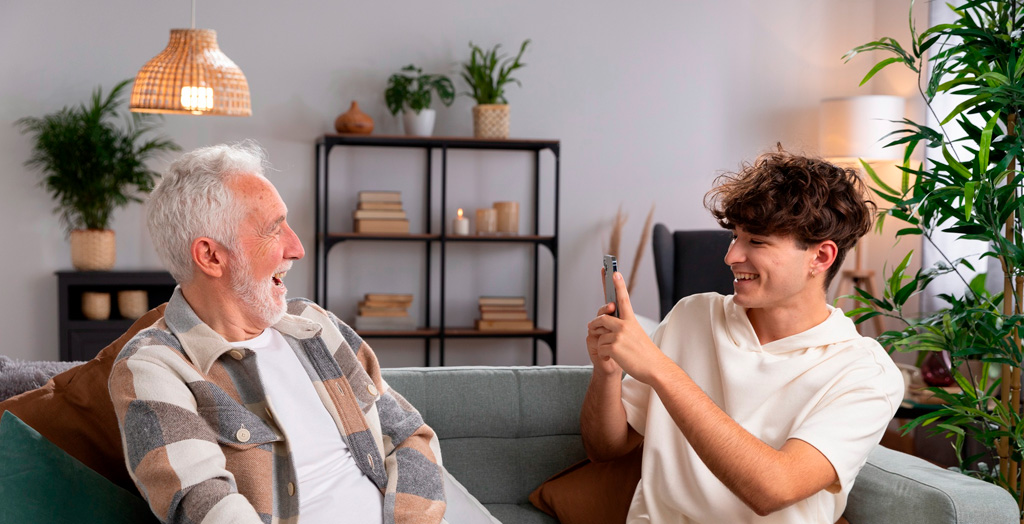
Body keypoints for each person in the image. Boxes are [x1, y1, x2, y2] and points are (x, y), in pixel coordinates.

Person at [109, 141, 446, 524]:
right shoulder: (155, 367)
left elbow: (409, 436)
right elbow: (206, 506)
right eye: (274, 230)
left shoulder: (316, 326)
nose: (297, 248)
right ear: (211, 256)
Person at [581, 149, 903, 524]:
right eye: (735, 237)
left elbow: (773, 490)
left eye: (757, 241)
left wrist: (660, 370)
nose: (731, 255)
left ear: (821, 257)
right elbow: (605, 448)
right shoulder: (692, 315)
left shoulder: (863, 373)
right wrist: (606, 371)